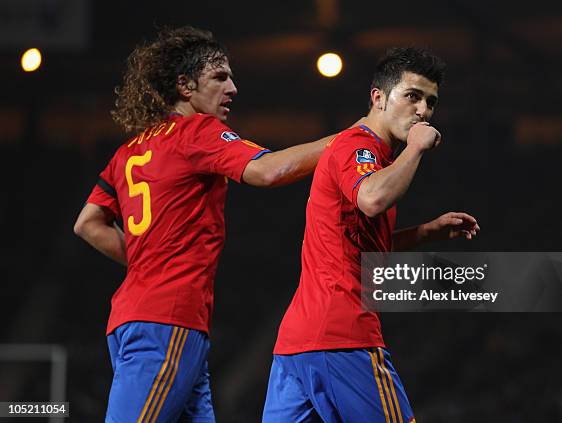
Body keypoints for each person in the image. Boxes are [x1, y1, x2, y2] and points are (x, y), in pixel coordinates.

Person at [74, 26, 335, 422]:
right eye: (219, 77)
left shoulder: (130, 149)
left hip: (139, 318)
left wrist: (150, 262)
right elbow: (266, 171)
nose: (232, 87)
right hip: (167, 321)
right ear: (185, 85)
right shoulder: (197, 131)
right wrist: (350, 139)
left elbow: (88, 224)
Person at [263, 47, 480, 423]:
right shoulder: (357, 146)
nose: (423, 111)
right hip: (343, 334)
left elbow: (362, 247)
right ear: (378, 97)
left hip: (298, 344)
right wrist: (414, 149)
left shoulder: (374, 158)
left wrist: (427, 232)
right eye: (412, 96)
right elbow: (373, 197)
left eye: (431, 102)